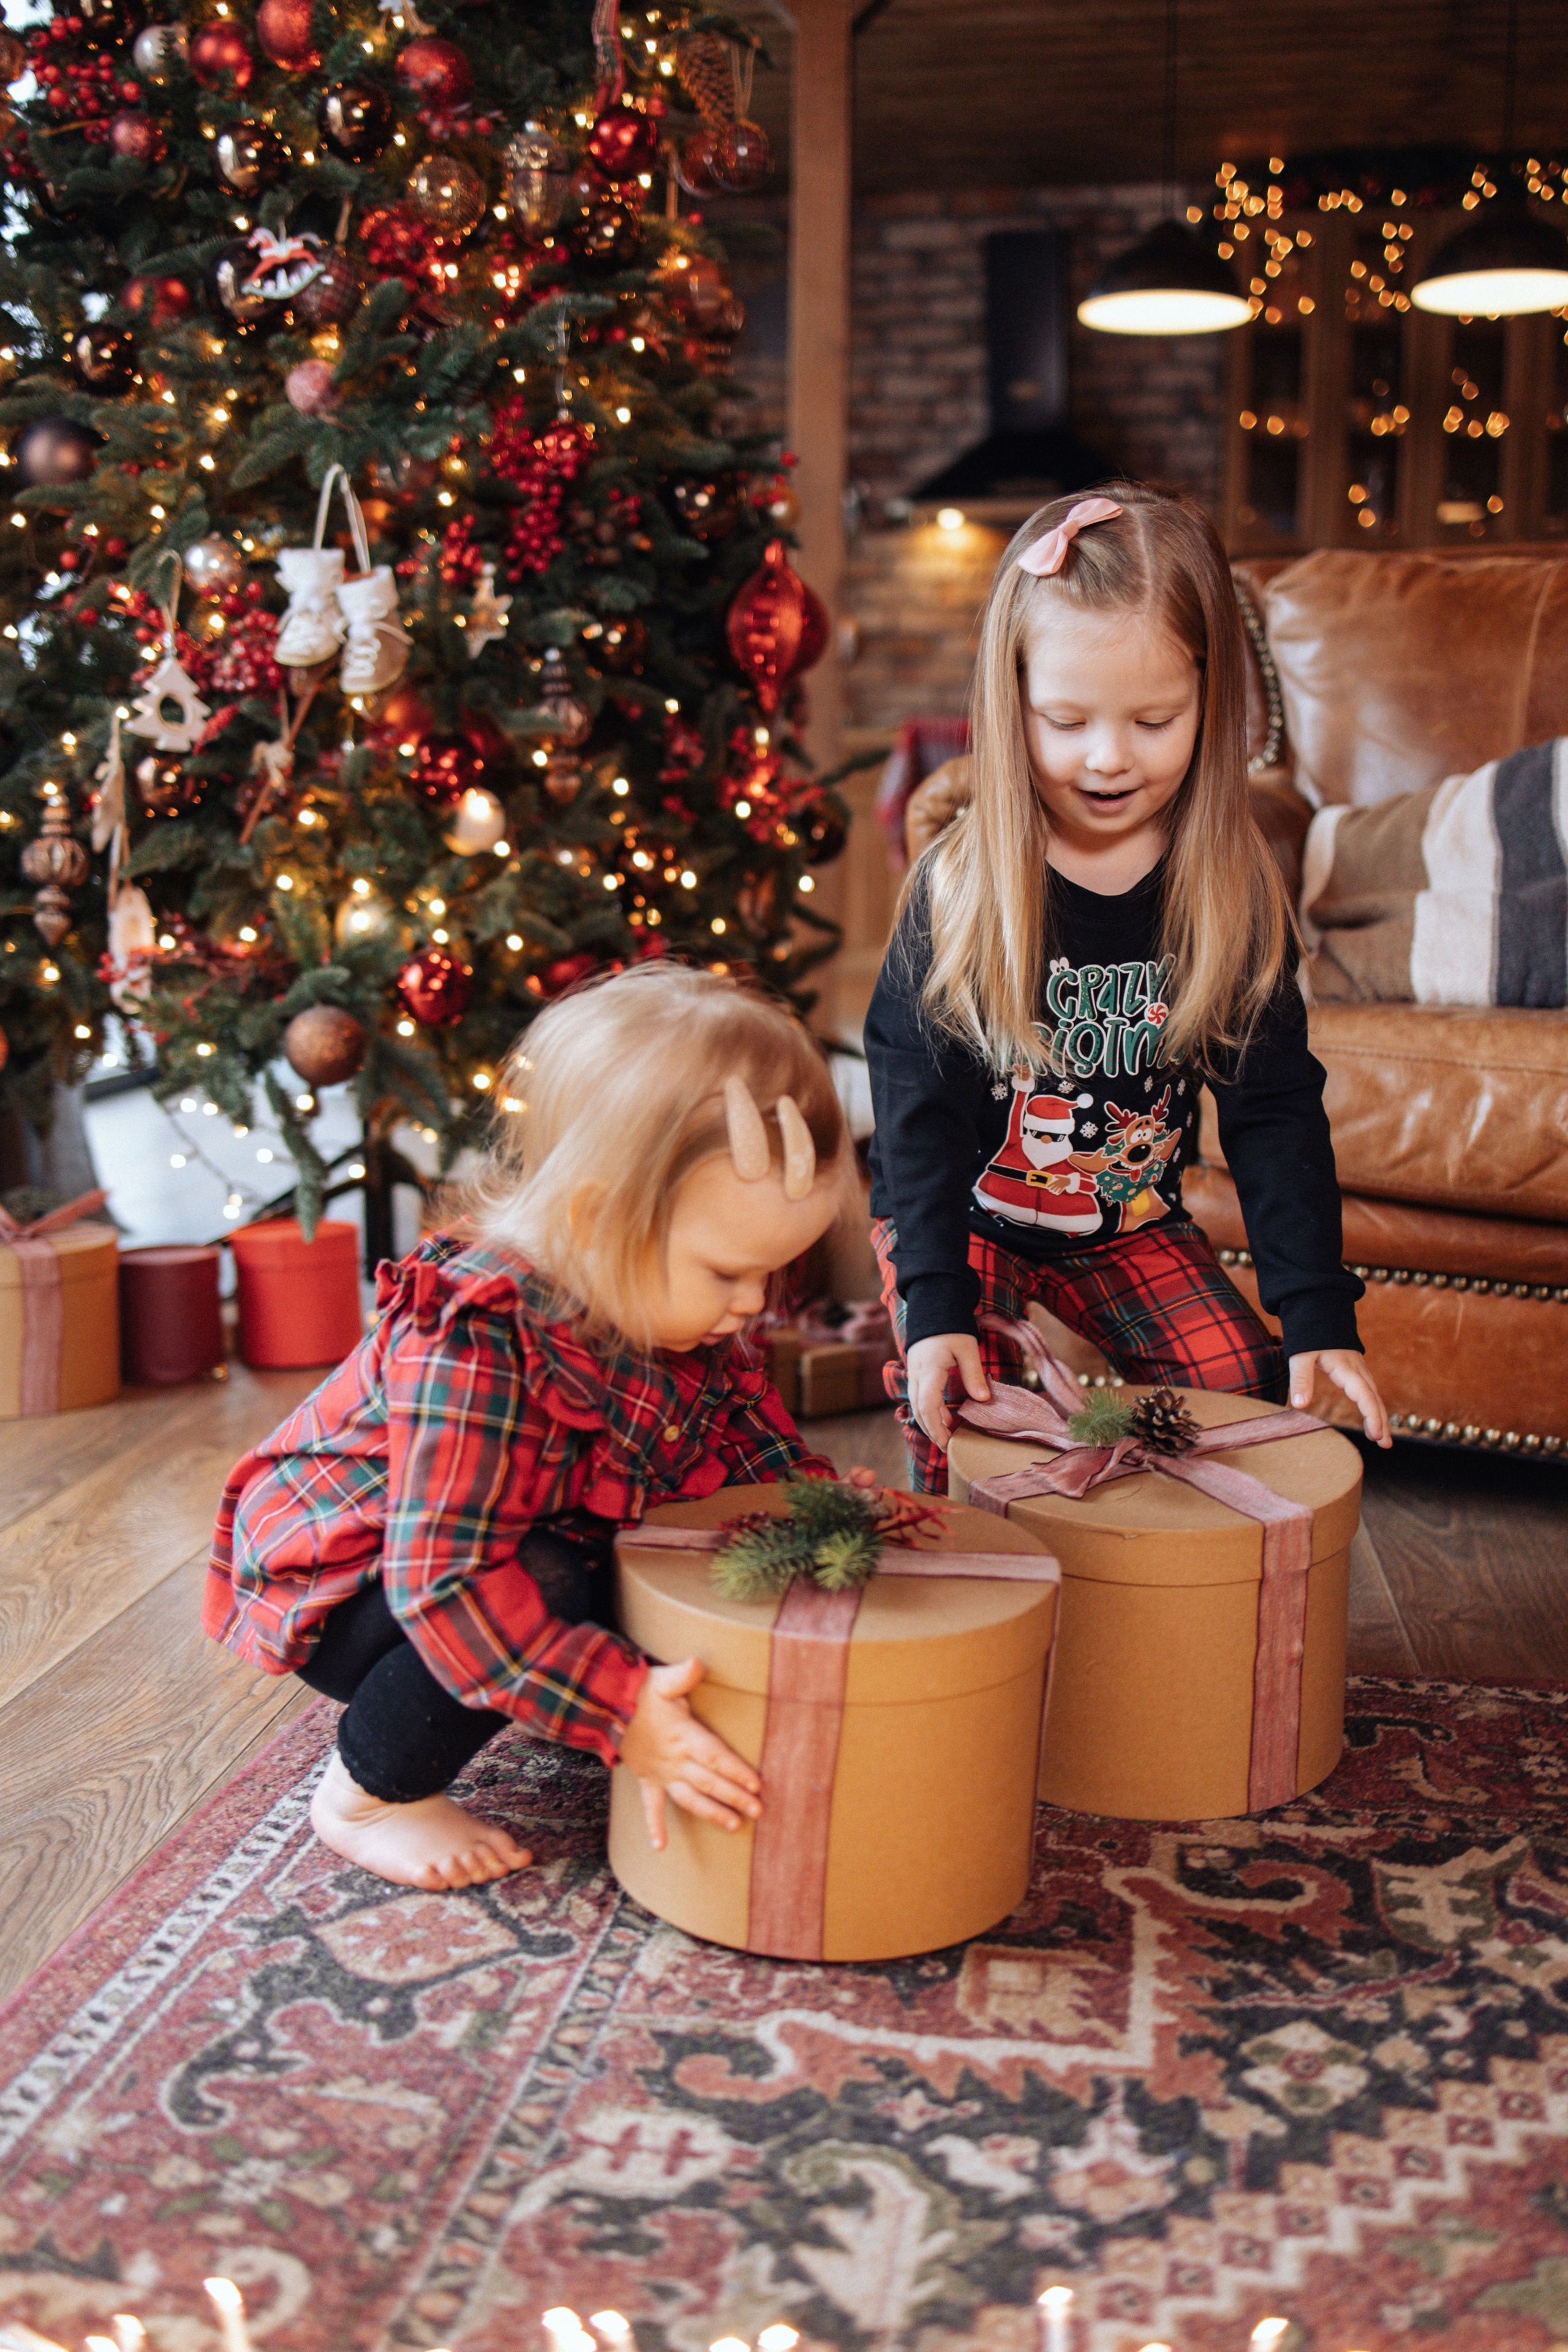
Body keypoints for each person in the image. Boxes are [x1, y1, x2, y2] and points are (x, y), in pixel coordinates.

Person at [206, 965, 852, 1892]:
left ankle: (561, 1686)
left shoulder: (675, 1301)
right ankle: (368, 1795)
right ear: (598, 1222)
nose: (752, 1304)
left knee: (622, 1567)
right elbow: (445, 1580)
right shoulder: (475, 1343)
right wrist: (622, 1708)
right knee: (546, 1578)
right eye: (726, 1273)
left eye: (771, 1274)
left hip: (489, 1543)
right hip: (365, 1585)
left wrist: (821, 1514)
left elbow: (748, 1436)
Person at [865, 483, 1390, 1493]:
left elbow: (1276, 1114)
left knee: (1235, 1388)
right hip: (965, 1218)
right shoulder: (962, 888)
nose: (1109, 759)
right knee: (971, 1396)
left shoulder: (1230, 892)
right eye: (1066, 720)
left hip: (1127, 1222)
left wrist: (1319, 1314)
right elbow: (914, 1113)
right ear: (1010, 703)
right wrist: (931, 1308)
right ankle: (979, 1579)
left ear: (1210, 700)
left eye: (1155, 719)